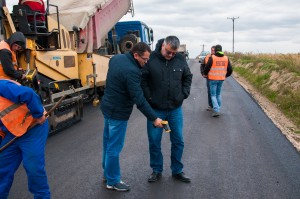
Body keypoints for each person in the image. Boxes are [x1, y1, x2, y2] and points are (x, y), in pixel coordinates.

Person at [100, 42, 163, 192]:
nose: (146, 62)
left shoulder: (116, 58)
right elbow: (139, 100)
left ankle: (107, 174)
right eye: (145, 59)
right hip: (118, 112)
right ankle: (113, 181)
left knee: (107, 143)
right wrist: (154, 118)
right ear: (135, 55)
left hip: (107, 107)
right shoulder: (132, 71)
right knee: (114, 148)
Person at [141, 36, 193, 183]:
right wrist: (149, 97)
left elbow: (187, 76)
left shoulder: (180, 59)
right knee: (154, 141)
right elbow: (143, 80)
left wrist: (184, 93)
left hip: (175, 109)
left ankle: (177, 170)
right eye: (169, 52)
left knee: (178, 141)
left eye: (173, 53)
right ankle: (156, 170)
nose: (171, 55)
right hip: (156, 110)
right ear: (163, 45)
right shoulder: (151, 59)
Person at [0, 79, 50, 198]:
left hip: (32, 127)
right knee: (2, 168)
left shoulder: (2, 86)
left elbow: (28, 93)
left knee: (33, 168)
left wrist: (38, 114)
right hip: (13, 132)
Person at [203, 44, 232, 117]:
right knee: (218, 94)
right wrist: (225, 75)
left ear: (215, 50)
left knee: (213, 95)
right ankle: (218, 108)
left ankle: (216, 110)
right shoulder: (226, 58)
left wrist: (205, 74)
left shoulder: (213, 58)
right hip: (221, 79)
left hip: (212, 79)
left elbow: (207, 68)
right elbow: (230, 70)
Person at [200, 46, 215, 111]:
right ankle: (211, 105)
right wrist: (203, 73)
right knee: (210, 92)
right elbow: (202, 65)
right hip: (209, 77)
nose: (213, 52)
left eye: (214, 50)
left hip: (217, 78)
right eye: (212, 50)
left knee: (215, 93)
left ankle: (215, 106)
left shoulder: (219, 57)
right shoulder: (207, 57)